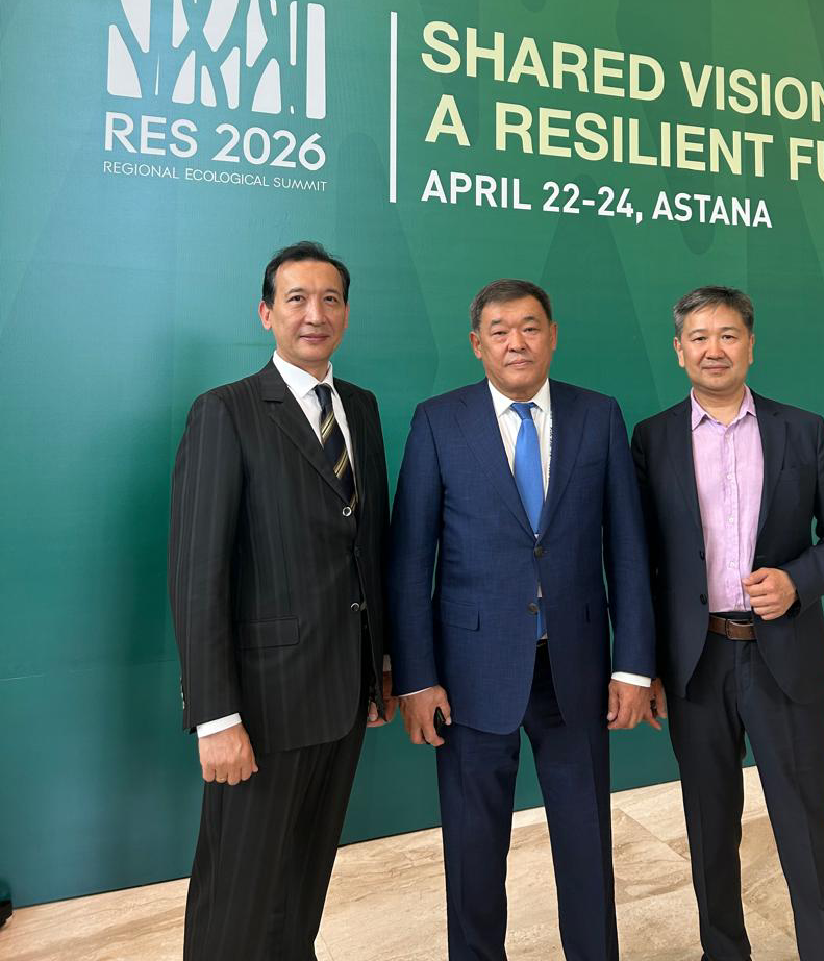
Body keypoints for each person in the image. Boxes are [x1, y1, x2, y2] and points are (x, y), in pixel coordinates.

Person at [388, 278, 656, 961]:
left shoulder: (598, 415)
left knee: (586, 845)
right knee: (473, 853)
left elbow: (627, 549)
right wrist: (415, 677)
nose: (517, 342)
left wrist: (632, 665)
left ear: (553, 336)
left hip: (577, 670)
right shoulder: (438, 421)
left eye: (531, 327)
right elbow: (410, 559)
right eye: (500, 330)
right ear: (477, 344)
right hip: (470, 674)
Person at [168, 240, 394, 961]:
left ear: (346, 314)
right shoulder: (225, 411)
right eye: (296, 299)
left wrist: (380, 665)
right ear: (266, 313)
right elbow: (197, 574)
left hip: (343, 698)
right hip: (261, 709)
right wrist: (215, 716)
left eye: (330, 299)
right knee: (236, 899)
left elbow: (369, 547)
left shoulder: (361, 408)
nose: (314, 313)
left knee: (301, 888)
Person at [631, 285, 824, 961]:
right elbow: (639, 560)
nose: (714, 349)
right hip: (695, 663)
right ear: (679, 351)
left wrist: (798, 580)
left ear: (750, 346)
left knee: (804, 828)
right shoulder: (651, 439)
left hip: (784, 658)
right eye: (699, 337)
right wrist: (644, 666)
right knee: (709, 829)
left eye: (728, 334)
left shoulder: (803, 429)